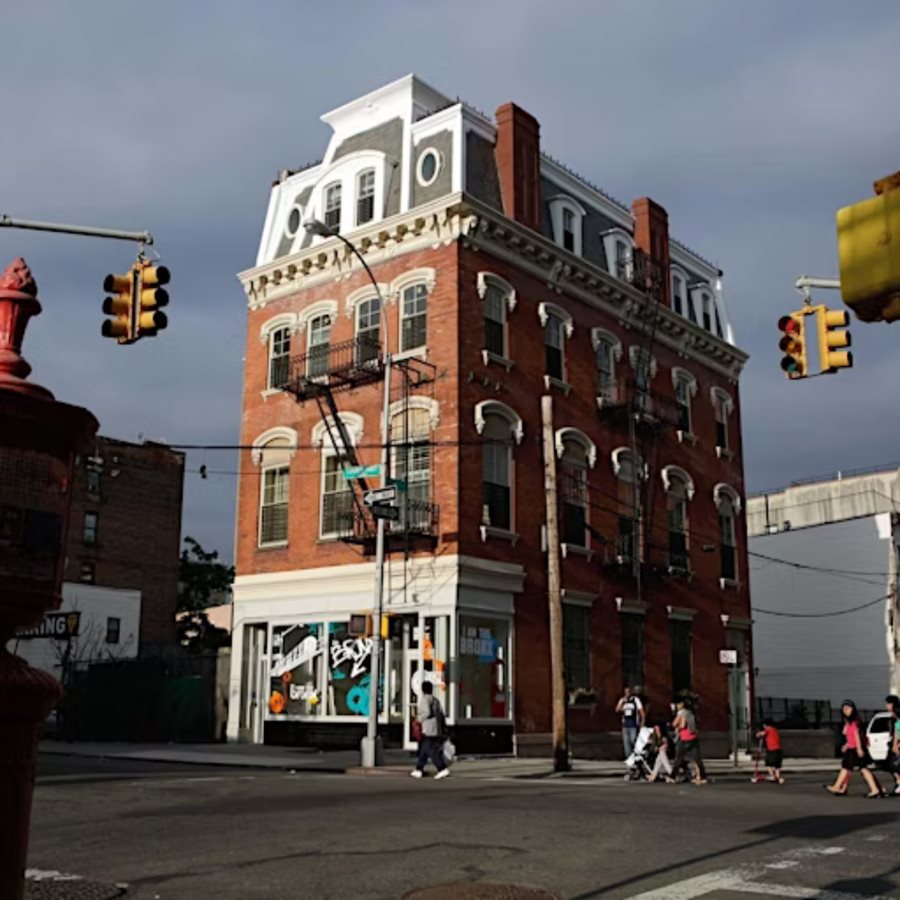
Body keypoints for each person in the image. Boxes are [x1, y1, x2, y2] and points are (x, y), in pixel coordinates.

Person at [825, 700, 883, 797]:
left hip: (855, 749)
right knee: (853, 768)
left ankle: (838, 786)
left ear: (853, 709)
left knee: (852, 768)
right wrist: (846, 745)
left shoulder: (854, 721)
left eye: (848, 708)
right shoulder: (849, 722)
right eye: (844, 709)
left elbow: (857, 736)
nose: (845, 711)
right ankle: (874, 789)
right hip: (852, 747)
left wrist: (859, 748)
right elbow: (849, 736)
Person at [410, 680, 450, 780]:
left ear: (423, 689)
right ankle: (419, 769)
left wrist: (418, 719)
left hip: (428, 728)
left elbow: (427, 712)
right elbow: (441, 714)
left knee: (431, 750)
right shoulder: (436, 700)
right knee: (424, 750)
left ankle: (442, 768)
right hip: (436, 728)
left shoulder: (425, 699)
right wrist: (443, 727)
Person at [671, 698, 707, 784]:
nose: (677, 705)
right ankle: (702, 776)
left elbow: (680, 724)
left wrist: (677, 727)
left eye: (677, 704)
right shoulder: (691, 713)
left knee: (678, 758)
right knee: (697, 758)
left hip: (685, 738)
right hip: (693, 737)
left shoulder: (682, 713)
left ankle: (673, 776)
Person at [615, 686, 645, 760]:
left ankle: (636, 756)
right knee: (626, 745)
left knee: (633, 741)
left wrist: (642, 722)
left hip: (633, 725)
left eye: (628, 692)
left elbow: (641, 712)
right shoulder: (622, 700)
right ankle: (629, 759)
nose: (627, 693)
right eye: (626, 692)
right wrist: (622, 702)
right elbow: (617, 709)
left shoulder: (635, 700)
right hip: (625, 725)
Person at [755, 718, 785, 784]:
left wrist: (758, 734)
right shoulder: (775, 730)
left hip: (772, 749)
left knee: (768, 763)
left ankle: (772, 775)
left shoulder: (768, 729)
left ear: (765, 725)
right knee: (777, 765)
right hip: (778, 749)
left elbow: (762, 734)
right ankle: (778, 778)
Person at [886, 694, 900, 797]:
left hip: (897, 743)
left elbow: (897, 729)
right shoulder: (892, 715)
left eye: (888, 703)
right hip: (894, 742)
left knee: (893, 764)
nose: (886, 706)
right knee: (893, 765)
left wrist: (896, 743)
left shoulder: (896, 714)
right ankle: (898, 784)